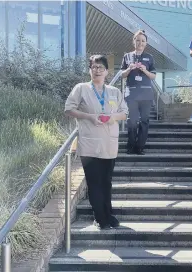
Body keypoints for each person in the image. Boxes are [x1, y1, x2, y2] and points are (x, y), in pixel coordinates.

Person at [65, 55, 129, 230]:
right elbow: (69, 108)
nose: (97, 70)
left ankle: (108, 214)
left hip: (109, 143)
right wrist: (89, 117)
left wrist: (112, 117)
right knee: (94, 182)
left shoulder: (114, 92)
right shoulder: (81, 89)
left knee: (106, 181)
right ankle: (100, 217)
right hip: (89, 143)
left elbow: (124, 113)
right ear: (89, 70)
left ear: (107, 71)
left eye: (101, 67)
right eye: (94, 67)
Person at [121, 30, 157, 155]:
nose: (140, 43)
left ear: (146, 43)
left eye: (143, 41)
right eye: (138, 40)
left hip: (146, 94)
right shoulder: (127, 56)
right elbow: (122, 75)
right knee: (132, 120)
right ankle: (130, 146)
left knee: (144, 121)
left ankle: (140, 147)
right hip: (131, 93)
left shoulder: (150, 57)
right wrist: (129, 69)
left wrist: (145, 70)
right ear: (134, 41)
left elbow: (153, 76)